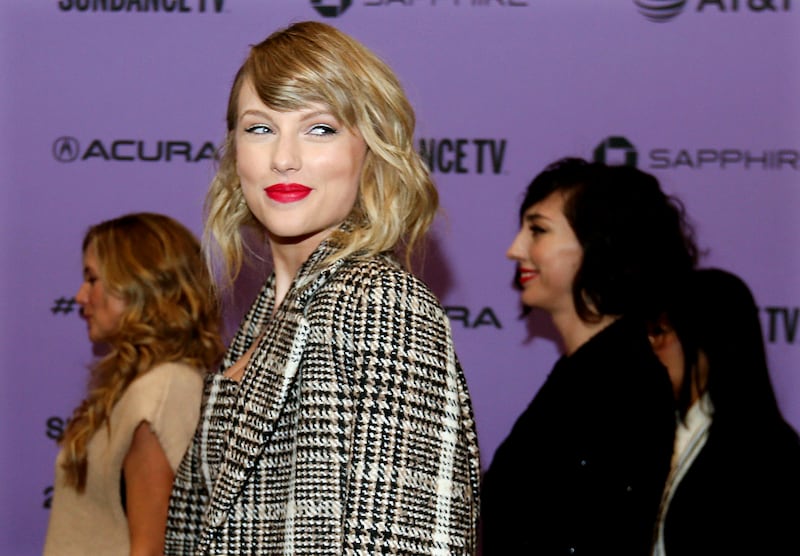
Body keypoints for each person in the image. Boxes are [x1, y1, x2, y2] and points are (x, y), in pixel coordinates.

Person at [164, 20, 481, 555]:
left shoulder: (380, 303)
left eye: (320, 128)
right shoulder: (268, 314)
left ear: (370, 149)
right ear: (234, 151)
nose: (283, 157)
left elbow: (404, 542)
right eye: (259, 128)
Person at [480, 157, 698, 555]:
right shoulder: (591, 369)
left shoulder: (621, 379)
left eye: (538, 230)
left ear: (600, 242)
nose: (515, 250)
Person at [43, 212, 224, 556]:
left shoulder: (164, 387)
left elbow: (151, 548)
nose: (80, 297)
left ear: (139, 286)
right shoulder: (141, 384)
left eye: (92, 279)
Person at [649, 267, 800, 556]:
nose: (650, 345)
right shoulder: (652, 434)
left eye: (660, 332)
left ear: (706, 338)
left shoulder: (769, 451)